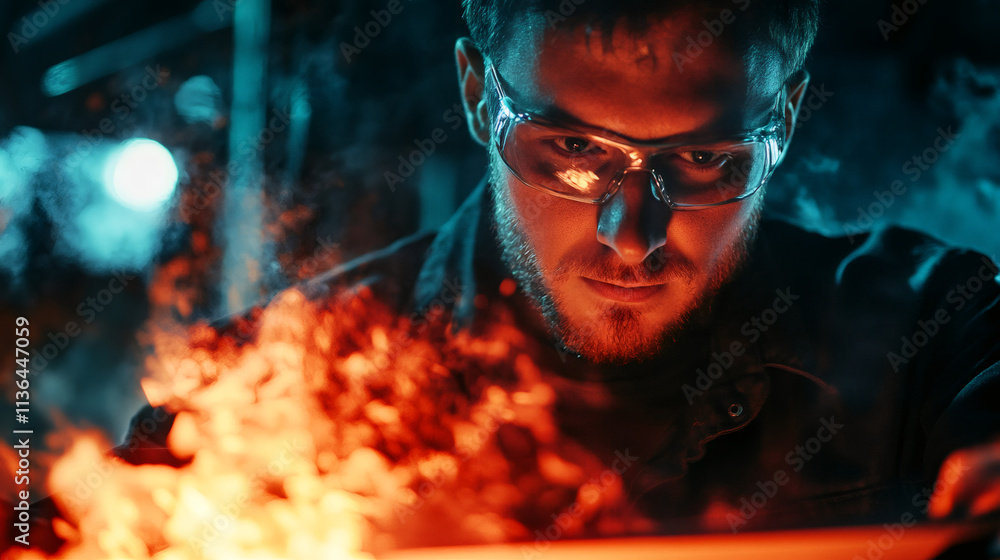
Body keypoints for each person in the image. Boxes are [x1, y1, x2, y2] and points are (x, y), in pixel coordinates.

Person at [116, 0, 1000, 538]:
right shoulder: (257, 389)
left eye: (706, 161)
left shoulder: (931, 334)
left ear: (788, 119)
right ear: (476, 96)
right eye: (572, 148)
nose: (631, 233)